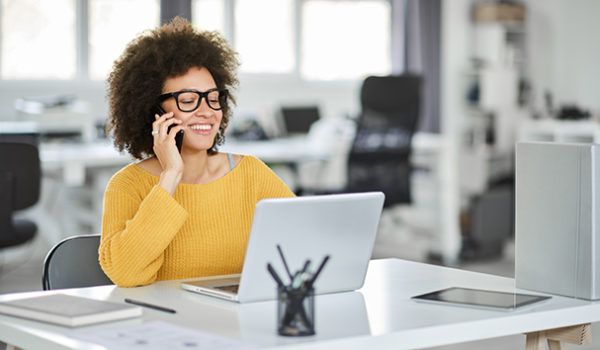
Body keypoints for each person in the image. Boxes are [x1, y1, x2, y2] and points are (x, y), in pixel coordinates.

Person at [100, 17, 294, 287]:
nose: (208, 112)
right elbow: (126, 273)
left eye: (214, 99)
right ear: (153, 111)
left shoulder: (251, 174)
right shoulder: (127, 185)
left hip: (238, 325)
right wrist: (171, 175)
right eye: (189, 100)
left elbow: (304, 245)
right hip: (165, 325)